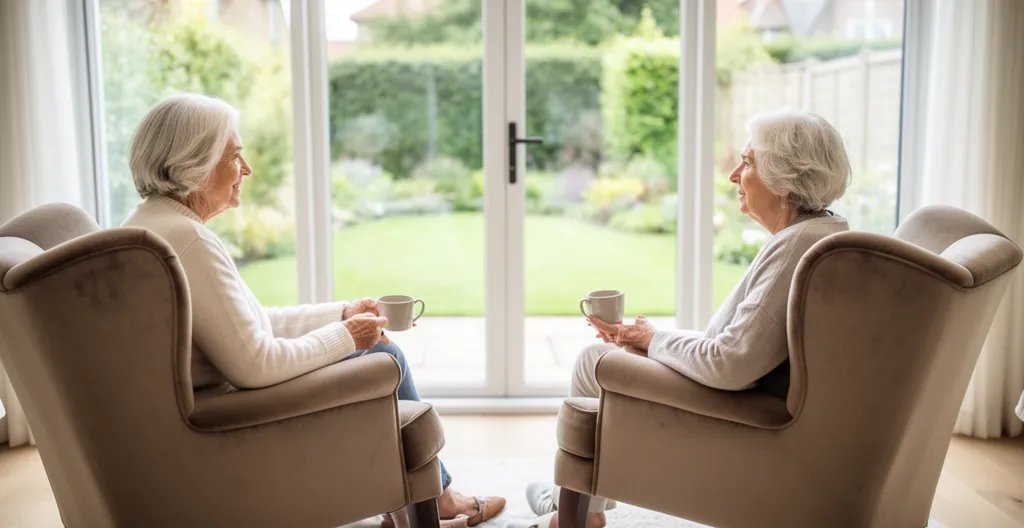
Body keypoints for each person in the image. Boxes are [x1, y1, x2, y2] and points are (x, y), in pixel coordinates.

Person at [121, 93, 505, 528]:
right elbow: (256, 364)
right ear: (194, 165)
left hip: (211, 405)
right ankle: (437, 500)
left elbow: (248, 326)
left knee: (373, 350)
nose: (246, 169)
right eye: (235, 156)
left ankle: (424, 498)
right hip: (237, 413)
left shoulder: (154, 225)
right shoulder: (188, 242)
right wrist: (351, 337)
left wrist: (340, 314)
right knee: (383, 357)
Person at [515, 109, 853, 528]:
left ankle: (581, 512)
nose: (733, 174)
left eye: (747, 162)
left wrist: (652, 340)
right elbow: (742, 346)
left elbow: (729, 364)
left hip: (739, 404)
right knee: (610, 352)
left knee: (592, 361)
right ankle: (578, 503)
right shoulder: (818, 234)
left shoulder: (796, 247)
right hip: (748, 391)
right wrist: (645, 338)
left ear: (784, 182)